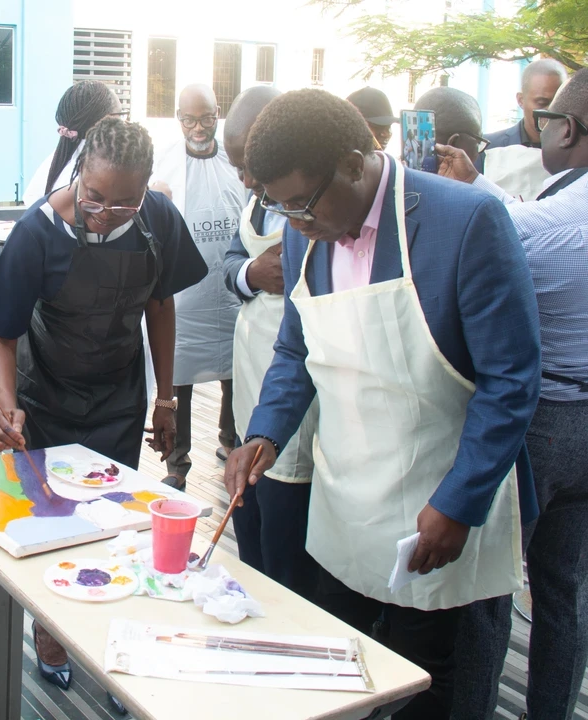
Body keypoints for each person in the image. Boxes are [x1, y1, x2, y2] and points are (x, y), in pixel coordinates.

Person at [224, 89, 541, 718]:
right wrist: (265, 433)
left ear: (353, 163)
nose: (292, 221)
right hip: (346, 505)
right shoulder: (304, 233)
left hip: (438, 505)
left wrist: (459, 503)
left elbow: (511, 380)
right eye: (279, 207)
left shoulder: (466, 221)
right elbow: (295, 349)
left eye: (301, 204)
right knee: (342, 672)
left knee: (428, 686)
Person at [0, 117, 207, 701]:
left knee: (110, 523)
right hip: (45, 399)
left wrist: (166, 398)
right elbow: (0, 336)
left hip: (117, 400)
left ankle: (107, 633)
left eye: (124, 203)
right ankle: (51, 633)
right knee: (49, 523)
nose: (103, 213)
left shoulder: (159, 219)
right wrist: (6, 410)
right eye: (93, 197)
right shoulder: (37, 232)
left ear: (146, 189)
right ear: (79, 173)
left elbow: (160, 306)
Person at [437, 68, 588, 720]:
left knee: (489, 589)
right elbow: (524, 216)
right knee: (564, 591)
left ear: (567, 129)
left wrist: (453, 194)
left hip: (540, 423)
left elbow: (503, 234)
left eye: (547, 119)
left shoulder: (551, 224)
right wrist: (478, 183)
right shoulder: (557, 207)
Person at [221, 86, 320, 601]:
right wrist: (250, 274)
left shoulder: (318, 210)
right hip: (250, 373)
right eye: (237, 167)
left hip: (293, 382)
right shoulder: (254, 198)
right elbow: (229, 262)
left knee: (286, 542)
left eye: (248, 166)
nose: (244, 179)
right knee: (249, 523)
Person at [150, 83, 244, 486]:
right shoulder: (164, 163)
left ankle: (231, 440)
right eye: (190, 120)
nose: (199, 128)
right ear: (178, 118)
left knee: (236, 372)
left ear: (218, 114)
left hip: (231, 293)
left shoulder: (234, 160)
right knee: (179, 378)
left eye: (206, 118)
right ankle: (177, 461)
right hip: (185, 299)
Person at [23, 80, 123, 206]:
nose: (123, 123)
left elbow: (32, 198)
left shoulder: (60, 158)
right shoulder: (110, 167)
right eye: (120, 115)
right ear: (105, 119)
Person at [486, 58, 569, 149]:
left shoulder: (578, 150)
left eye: (559, 102)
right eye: (542, 103)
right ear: (521, 100)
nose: (552, 110)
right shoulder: (489, 148)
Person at [414, 86, 489, 173]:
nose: (479, 153)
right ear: (453, 145)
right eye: (478, 142)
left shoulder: (402, 176)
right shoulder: (469, 181)